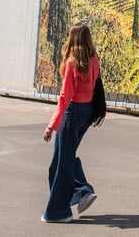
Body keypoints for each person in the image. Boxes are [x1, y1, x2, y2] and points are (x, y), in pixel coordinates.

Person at [42, 22, 101, 223]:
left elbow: (65, 96)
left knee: (61, 163)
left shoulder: (72, 63)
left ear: (72, 38)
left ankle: (60, 210)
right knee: (61, 160)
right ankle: (79, 192)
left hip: (73, 112)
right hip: (86, 112)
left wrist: (51, 125)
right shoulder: (94, 59)